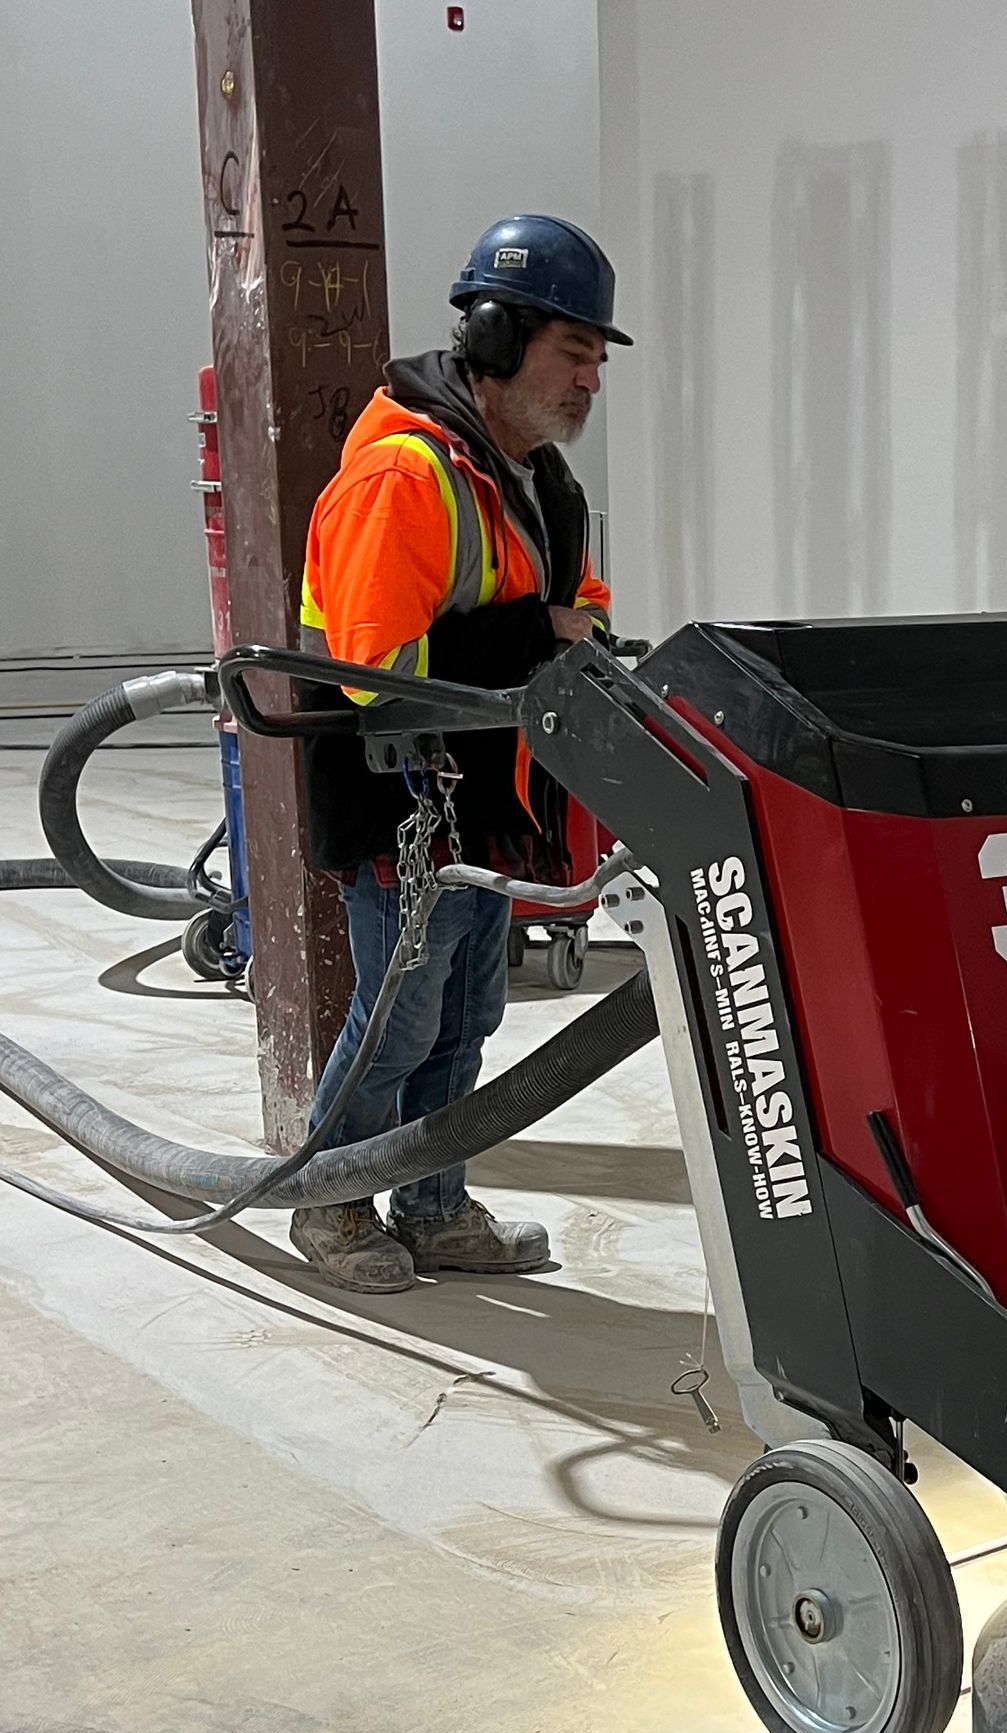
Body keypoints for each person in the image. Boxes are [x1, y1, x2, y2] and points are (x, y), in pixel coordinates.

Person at [290, 214, 627, 1294]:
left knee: (468, 1016)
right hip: (401, 795)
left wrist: (576, 637)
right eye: (573, 353)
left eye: (594, 357)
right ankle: (330, 1205)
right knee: (399, 1021)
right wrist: (543, 637)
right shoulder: (403, 475)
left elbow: (578, 607)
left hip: (485, 791)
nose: (589, 381)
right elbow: (372, 667)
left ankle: (432, 1205)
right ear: (493, 338)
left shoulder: (538, 480)